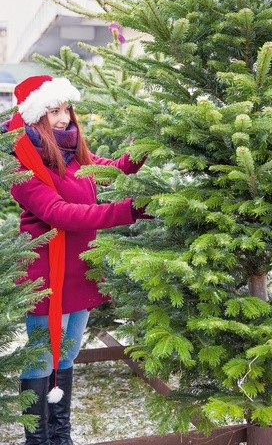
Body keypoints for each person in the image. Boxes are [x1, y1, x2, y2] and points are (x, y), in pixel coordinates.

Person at [2, 75, 151, 445]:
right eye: (53, 111)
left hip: (80, 271)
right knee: (42, 359)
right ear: (36, 116)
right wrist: (126, 211)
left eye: (65, 108)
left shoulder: (73, 154)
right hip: (46, 275)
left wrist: (146, 143)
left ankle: (60, 435)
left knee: (66, 356)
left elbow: (115, 169)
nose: (63, 117)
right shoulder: (22, 168)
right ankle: (37, 440)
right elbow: (62, 214)